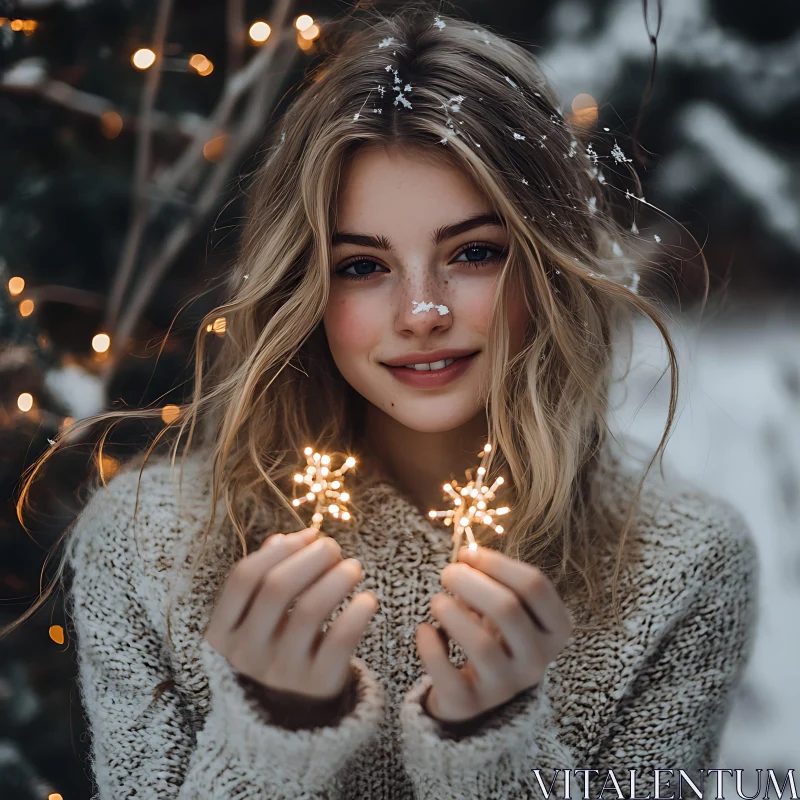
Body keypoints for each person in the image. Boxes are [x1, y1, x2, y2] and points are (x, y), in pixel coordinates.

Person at [5, 4, 758, 799]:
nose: (422, 313)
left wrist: (496, 750)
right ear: (306, 286)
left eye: (473, 253)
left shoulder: (678, 564)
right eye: (364, 266)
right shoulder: (150, 548)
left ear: (548, 265)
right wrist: (272, 736)